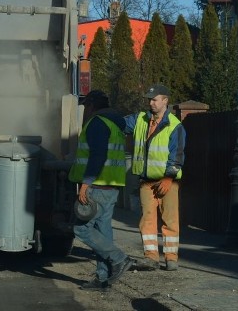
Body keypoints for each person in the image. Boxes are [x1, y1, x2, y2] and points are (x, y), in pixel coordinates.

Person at [69, 90, 135, 291]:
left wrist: (86, 183)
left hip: (97, 185)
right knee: (103, 232)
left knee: (81, 229)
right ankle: (103, 278)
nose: (85, 111)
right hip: (112, 185)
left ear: (91, 106)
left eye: (86, 107)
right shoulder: (116, 123)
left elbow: (97, 156)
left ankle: (119, 258)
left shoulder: (98, 123)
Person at [124, 83, 186, 271]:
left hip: (167, 181)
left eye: (154, 99)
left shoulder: (175, 126)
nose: (150, 103)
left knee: (170, 220)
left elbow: (178, 156)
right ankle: (150, 257)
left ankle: (171, 258)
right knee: (147, 220)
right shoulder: (140, 120)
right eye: (149, 99)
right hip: (146, 181)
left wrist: (169, 178)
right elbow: (121, 124)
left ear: (165, 101)